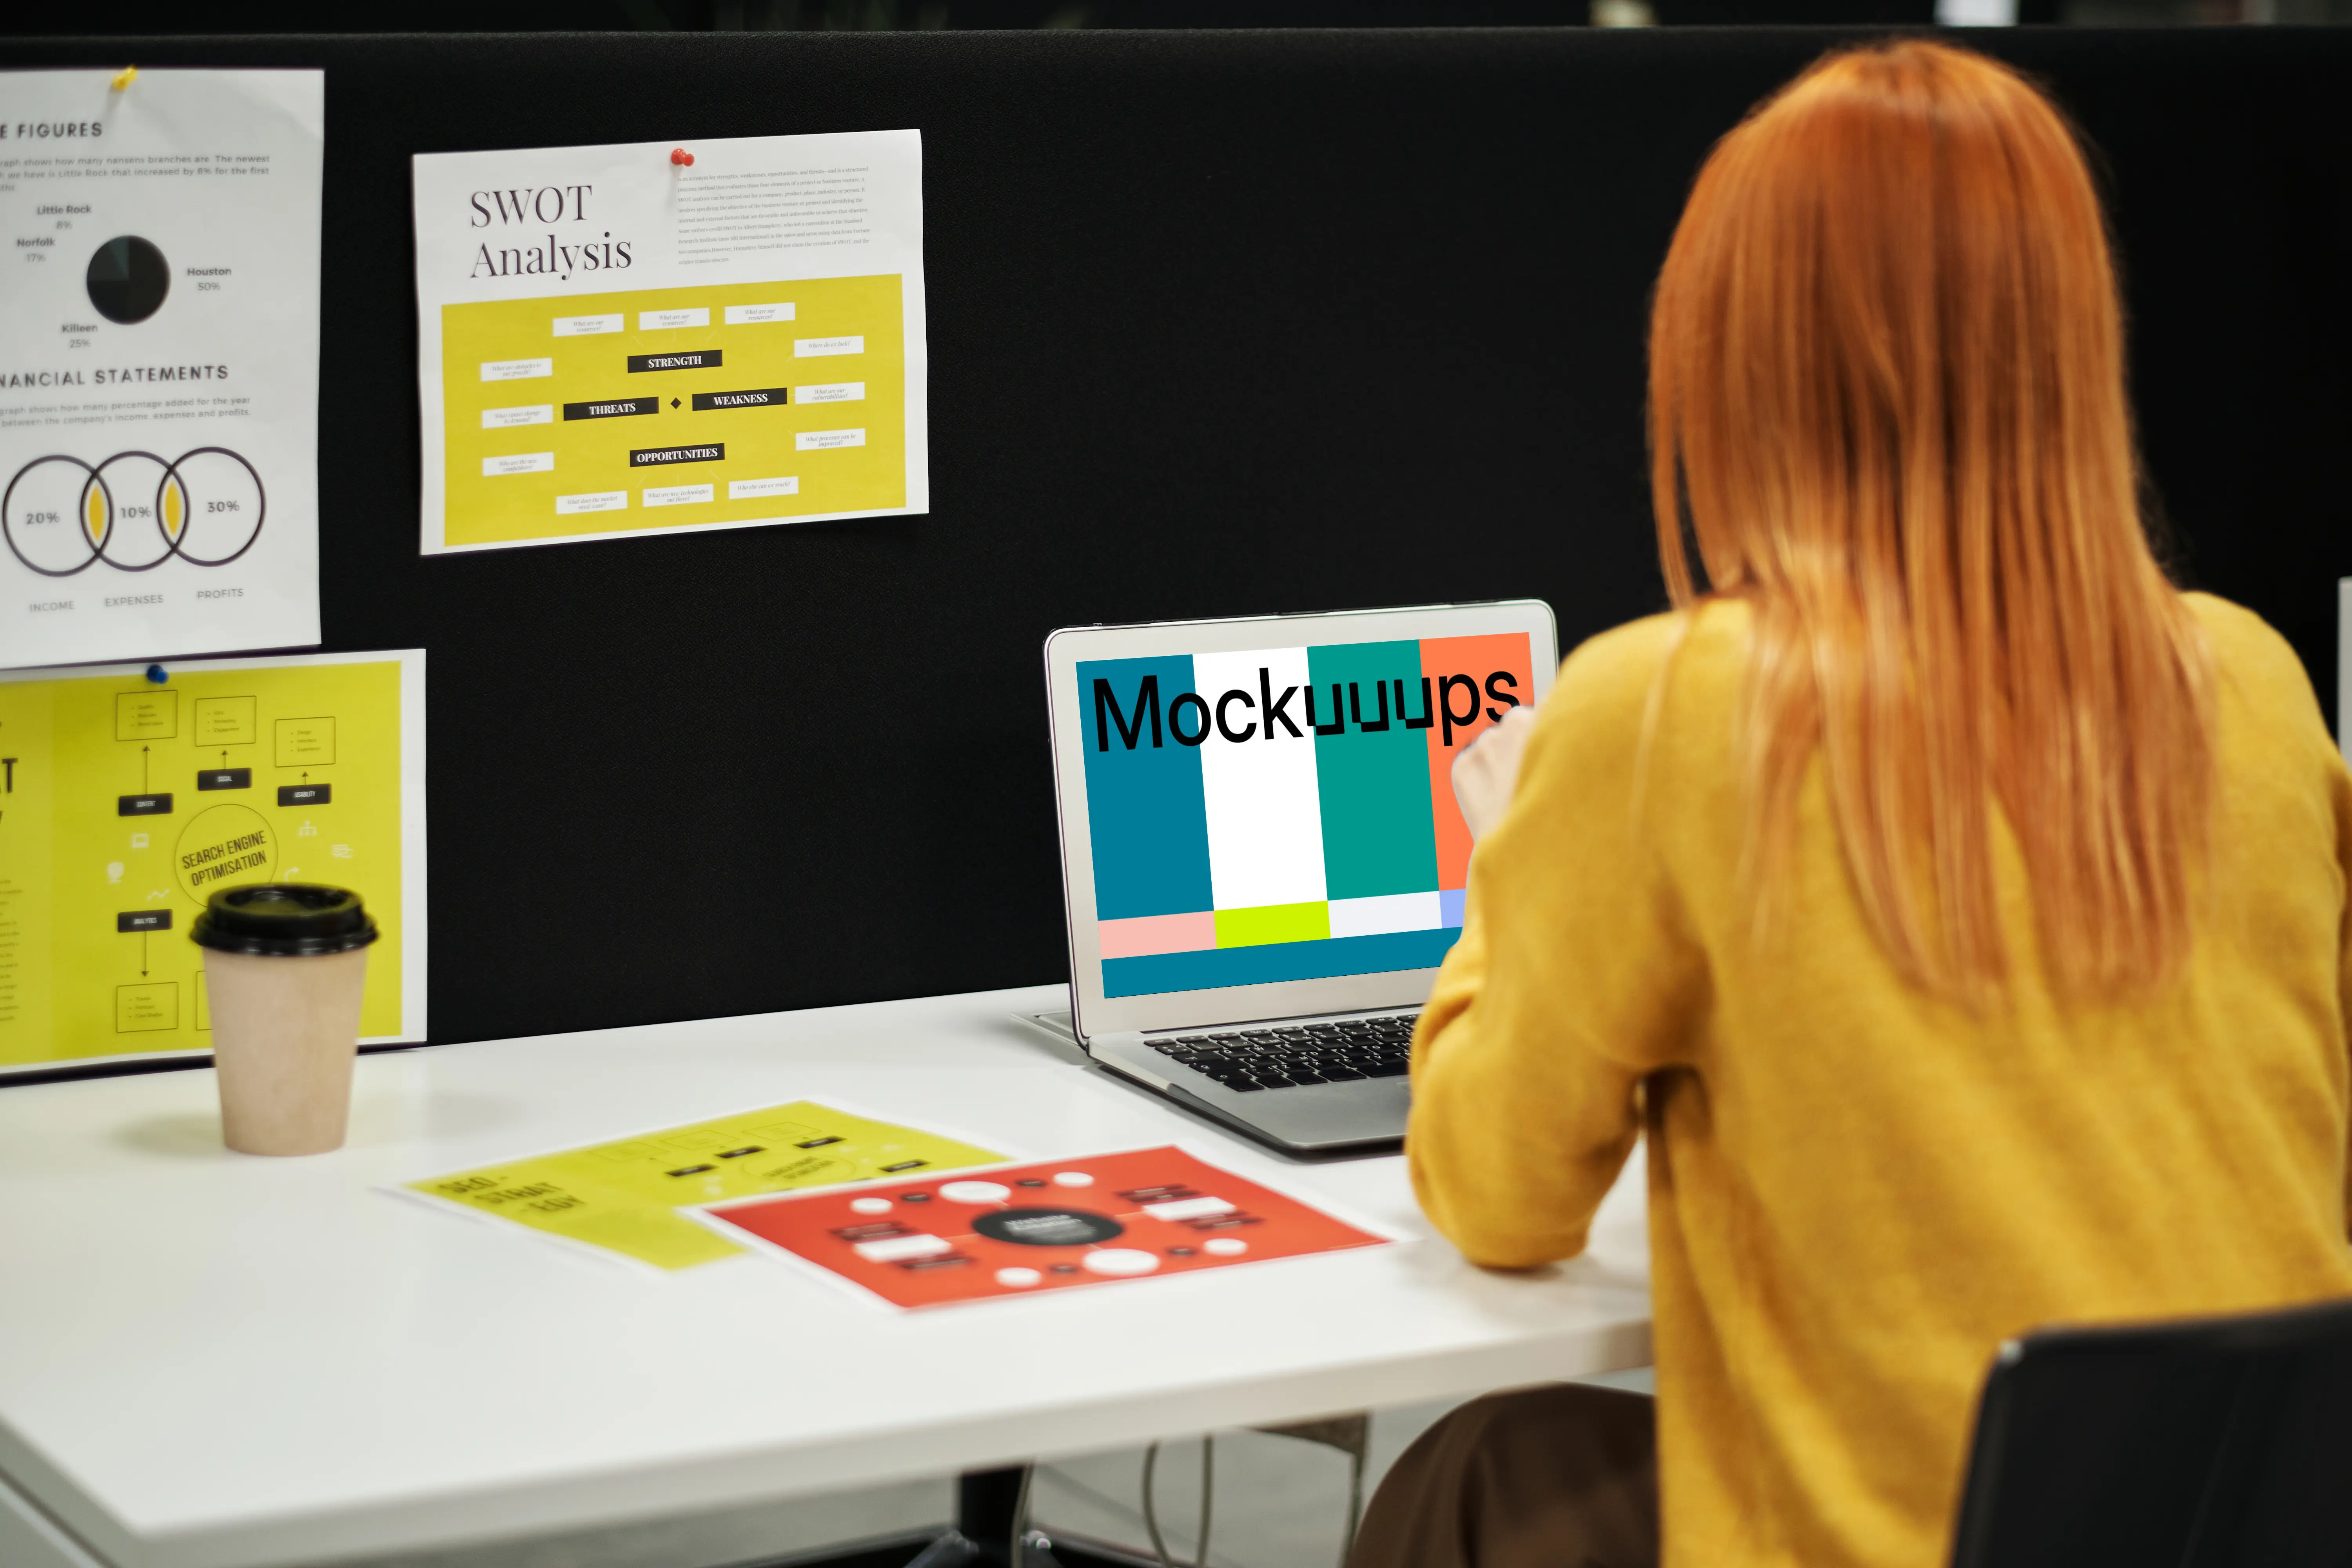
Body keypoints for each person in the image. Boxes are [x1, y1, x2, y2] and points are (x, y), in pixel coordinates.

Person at [1347, 38, 2352, 1568]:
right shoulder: (2260, 686)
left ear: (1747, 356)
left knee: (1472, 1483)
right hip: (2233, 1527)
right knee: (1513, 1457)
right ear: (2070, 341)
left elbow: (1497, 1196)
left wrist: (1510, 867)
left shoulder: (1668, 713)